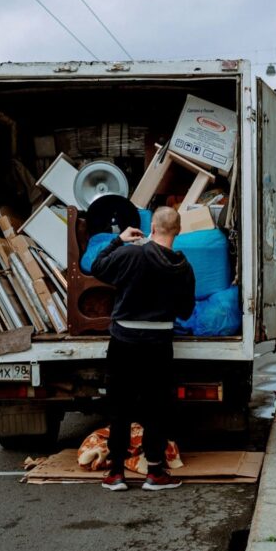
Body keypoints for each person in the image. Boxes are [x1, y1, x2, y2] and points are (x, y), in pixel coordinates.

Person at [91, 207, 196, 492]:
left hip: (124, 340)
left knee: (120, 406)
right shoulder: (183, 267)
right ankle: (155, 473)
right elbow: (186, 312)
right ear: (178, 230)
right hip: (159, 343)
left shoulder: (129, 254)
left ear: (151, 226)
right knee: (157, 408)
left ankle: (115, 473)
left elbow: (96, 266)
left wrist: (119, 241)